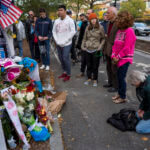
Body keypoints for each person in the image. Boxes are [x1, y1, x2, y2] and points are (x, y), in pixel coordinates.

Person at [111, 11, 136, 104]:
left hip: (125, 59)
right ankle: (120, 93)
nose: (116, 20)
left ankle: (123, 97)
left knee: (121, 78)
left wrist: (118, 57)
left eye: (118, 19)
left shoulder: (129, 31)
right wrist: (113, 55)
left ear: (123, 20)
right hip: (117, 58)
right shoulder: (119, 31)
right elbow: (115, 45)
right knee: (118, 77)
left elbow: (127, 47)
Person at [52, 5, 76, 82]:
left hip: (67, 43)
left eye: (61, 10)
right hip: (58, 43)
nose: (59, 11)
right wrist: (57, 41)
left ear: (65, 11)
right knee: (61, 58)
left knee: (65, 58)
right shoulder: (56, 21)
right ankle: (64, 72)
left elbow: (73, 32)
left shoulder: (70, 20)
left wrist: (65, 41)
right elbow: (54, 31)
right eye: (58, 10)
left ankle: (68, 74)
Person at [81, 13, 105, 87]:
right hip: (88, 49)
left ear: (96, 19)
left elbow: (103, 38)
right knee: (89, 65)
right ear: (90, 20)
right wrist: (82, 46)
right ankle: (89, 78)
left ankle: (95, 79)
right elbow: (84, 38)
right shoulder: (87, 27)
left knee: (95, 66)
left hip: (96, 50)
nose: (93, 21)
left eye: (94, 19)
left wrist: (100, 46)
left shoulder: (100, 27)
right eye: (92, 19)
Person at [103, 7, 118, 93]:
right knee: (108, 67)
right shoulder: (109, 23)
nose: (106, 14)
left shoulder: (118, 23)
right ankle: (110, 83)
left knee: (114, 68)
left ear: (113, 14)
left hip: (115, 50)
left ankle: (116, 86)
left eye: (108, 13)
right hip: (107, 49)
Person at [76, 9, 93, 78]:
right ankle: (82, 72)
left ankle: (91, 73)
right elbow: (80, 35)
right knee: (83, 59)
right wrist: (79, 44)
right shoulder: (84, 23)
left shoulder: (95, 23)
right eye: (87, 13)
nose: (87, 15)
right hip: (84, 45)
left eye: (89, 13)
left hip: (92, 45)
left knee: (91, 60)